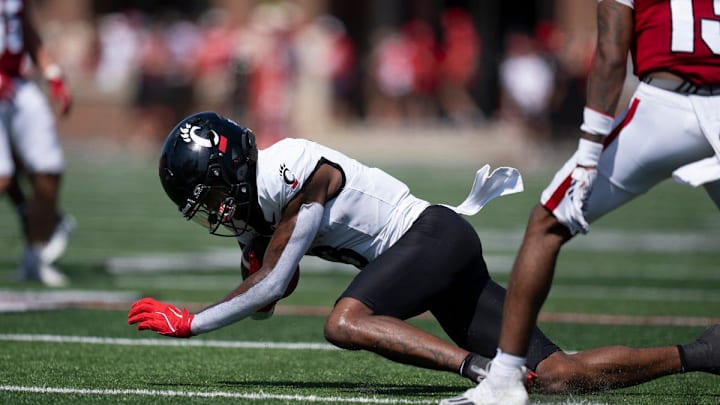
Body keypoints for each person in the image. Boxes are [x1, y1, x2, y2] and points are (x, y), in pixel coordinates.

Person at [128, 112, 719, 400]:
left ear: (230, 167)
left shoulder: (291, 166)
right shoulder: (255, 209)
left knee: (344, 321)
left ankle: (485, 375)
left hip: (430, 238)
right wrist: (250, 267)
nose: (212, 210)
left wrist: (194, 321)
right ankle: (699, 354)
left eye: (208, 195)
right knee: (556, 377)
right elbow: (268, 299)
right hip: (430, 256)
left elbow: (276, 278)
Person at [462, 1, 720, 404]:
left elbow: (612, 53)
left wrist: (588, 150)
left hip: (666, 107)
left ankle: (503, 381)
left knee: (546, 223)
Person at [0, 0, 74, 286]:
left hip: (17, 83)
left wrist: (52, 73)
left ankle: (35, 254)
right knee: (3, 178)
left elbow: (25, 28)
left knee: (49, 169)